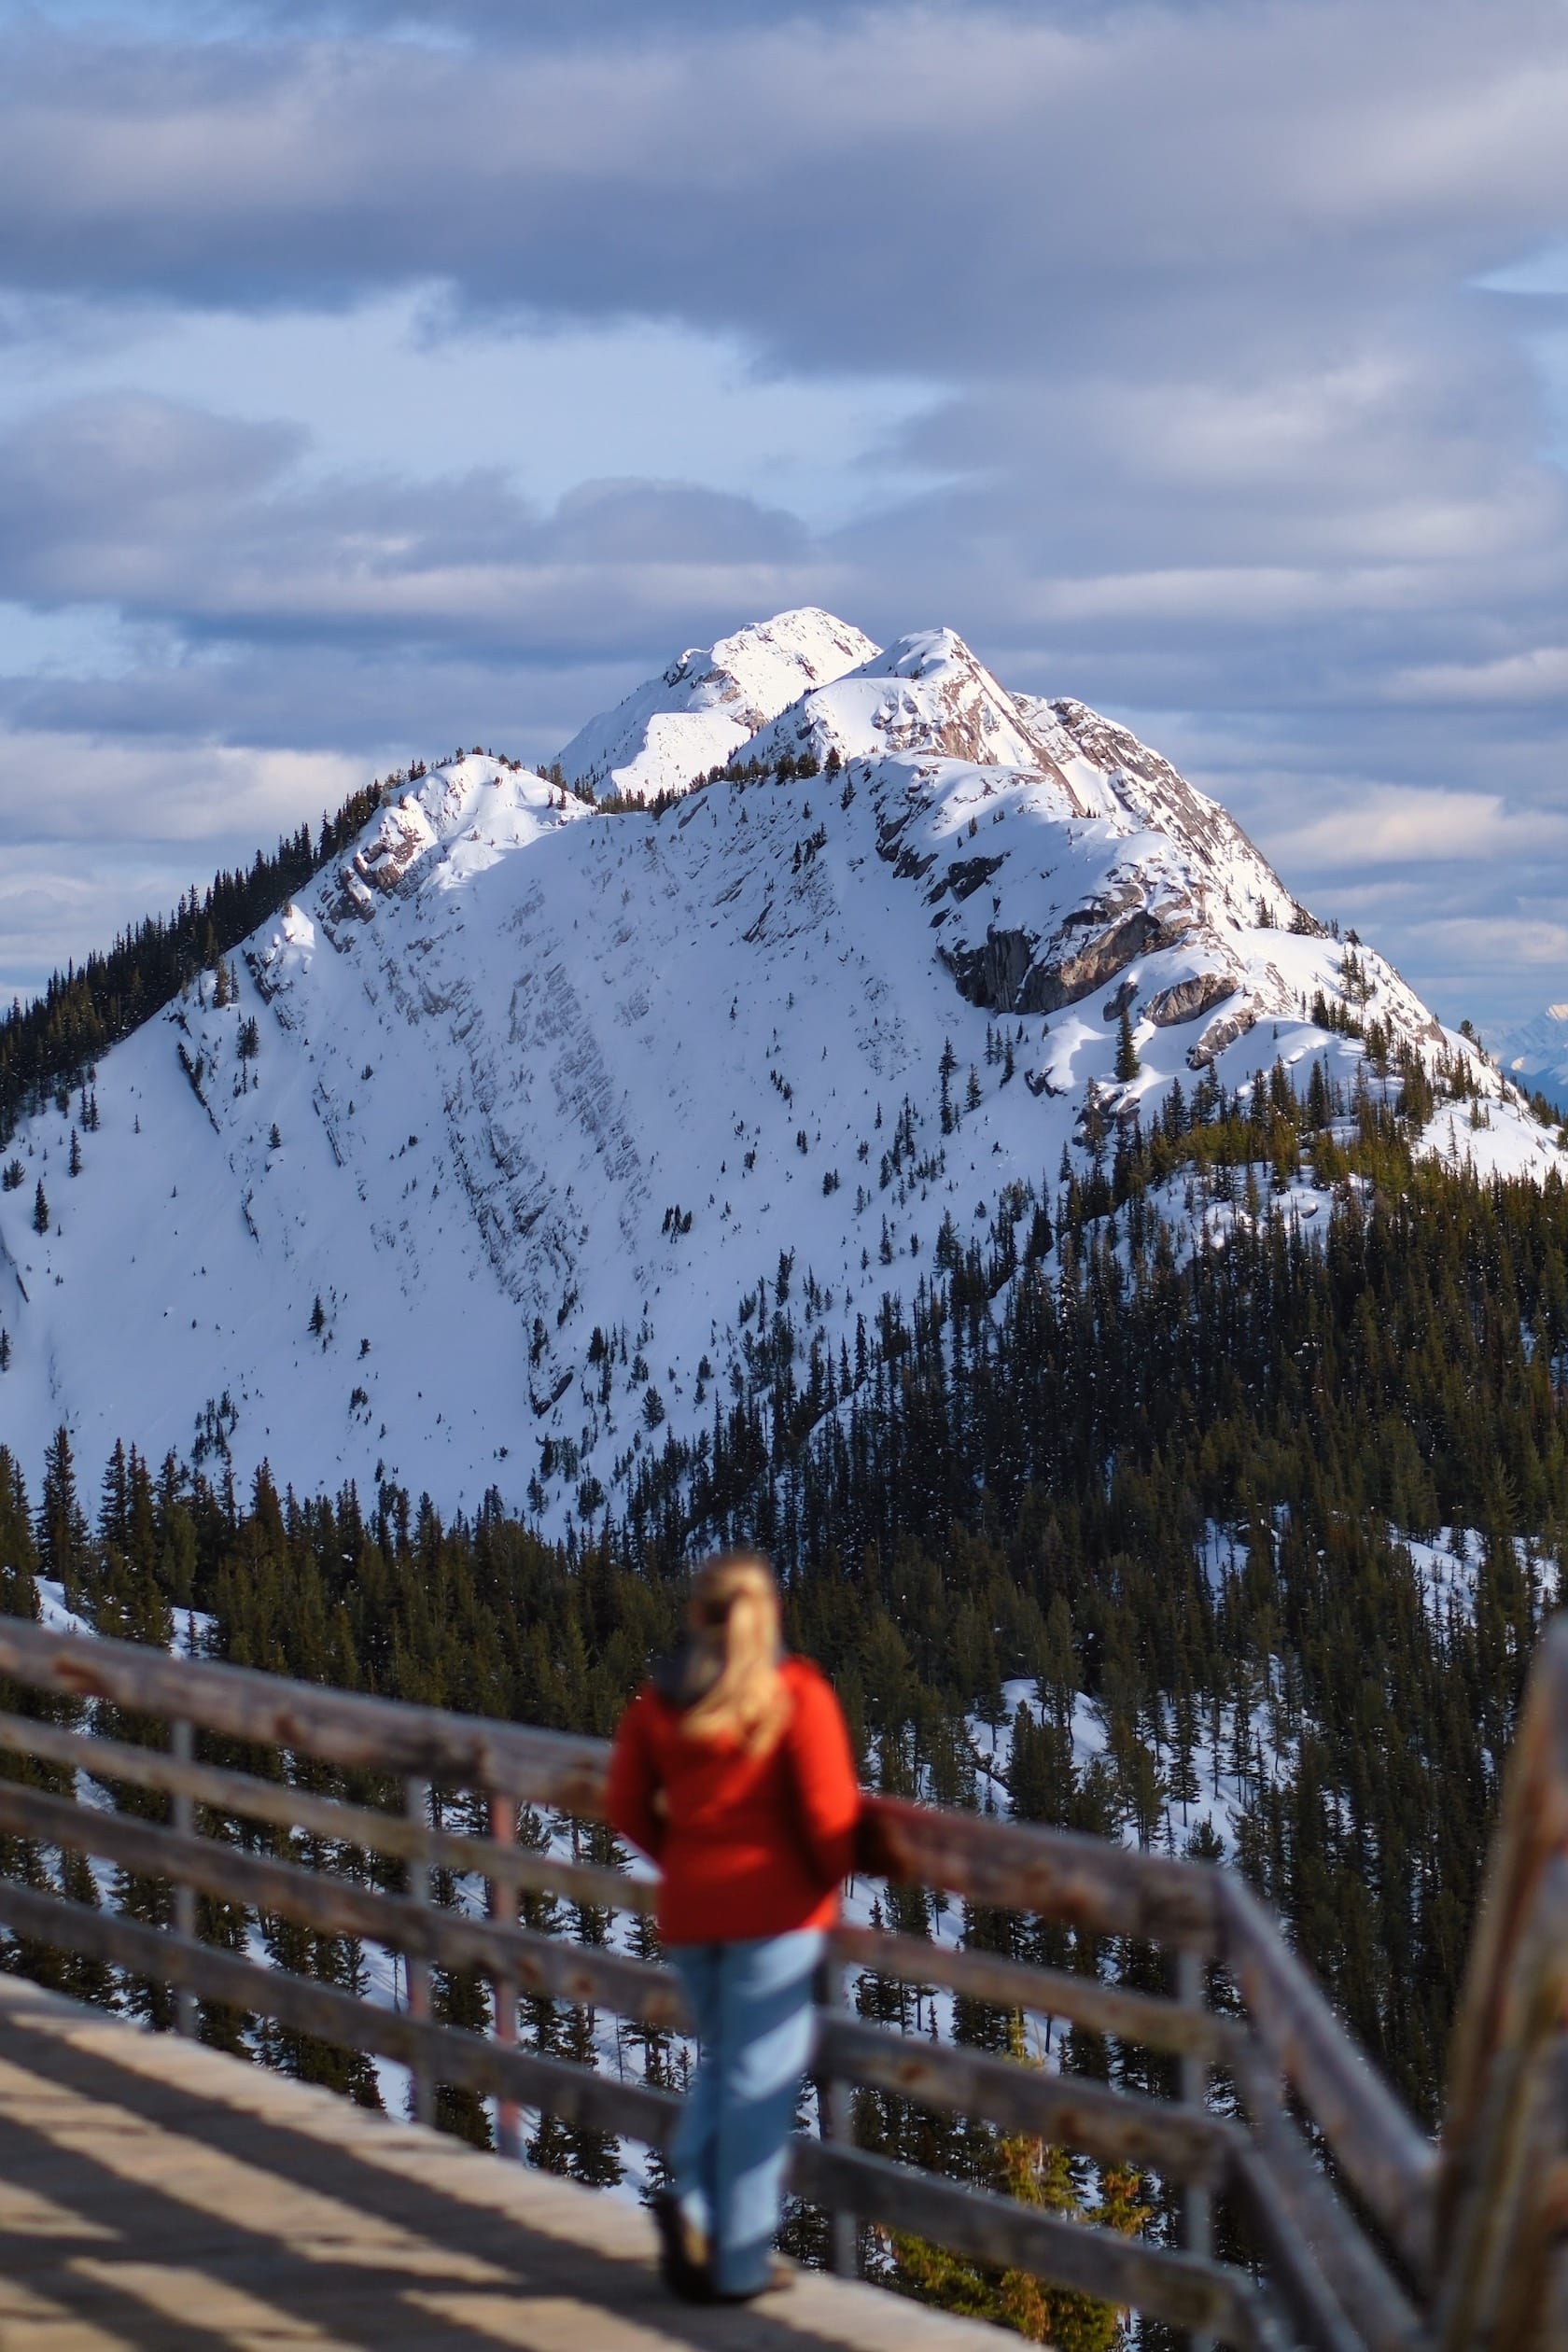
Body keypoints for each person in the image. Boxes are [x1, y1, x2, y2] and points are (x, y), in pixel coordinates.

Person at [606, 1548, 861, 2304]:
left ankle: (692, 2207)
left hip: (691, 1918)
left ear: (697, 1615)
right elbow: (829, 1819)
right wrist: (815, 1883)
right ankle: (738, 2262)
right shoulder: (796, 1694)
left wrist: (683, 1859)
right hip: (774, 1921)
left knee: (725, 2063)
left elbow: (625, 1806)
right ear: (768, 1613)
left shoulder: (660, 1702)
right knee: (758, 2084)